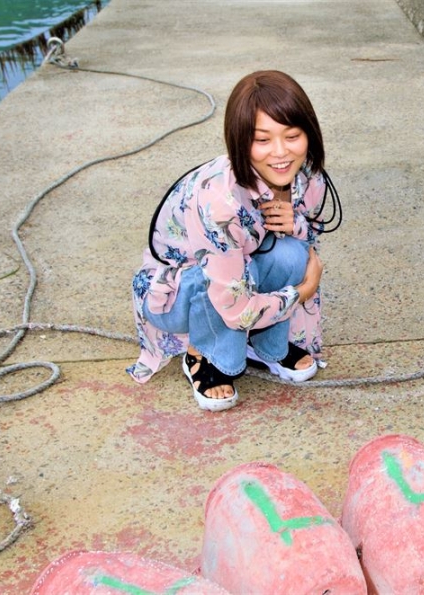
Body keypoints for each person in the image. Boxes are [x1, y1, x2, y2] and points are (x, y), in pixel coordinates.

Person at [127, 70, 335, 411]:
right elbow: (235, 307)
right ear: (239, 140)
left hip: (242, 271)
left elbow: (308, 244)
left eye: (293, 135)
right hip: (180, 292)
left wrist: (297, 225)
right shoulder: (219, 203)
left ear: (309, 133)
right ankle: (205, 356)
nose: (281, 153)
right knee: (227, 279)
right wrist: (301, 292)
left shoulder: (307, 175)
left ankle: (266, 345)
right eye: (262, 139)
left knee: (290, 254)